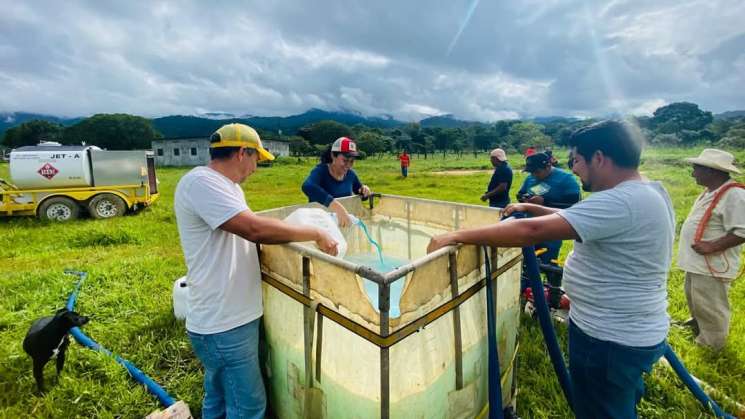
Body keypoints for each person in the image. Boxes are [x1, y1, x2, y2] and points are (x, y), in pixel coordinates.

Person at [428, 120, 675, 418]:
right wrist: (534, 208)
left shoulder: (623, 201)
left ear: (599, 157)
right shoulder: (645, 192)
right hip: (625, 331)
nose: (575, 169)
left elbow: (529, 232)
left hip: (611, 339)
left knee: (603, 411)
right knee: (615, 402)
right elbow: (582, 216)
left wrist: (456, 236)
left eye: (578, 160)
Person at [174, 123, 338, 419]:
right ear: (241, 153)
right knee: (248, 407)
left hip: (225, 317)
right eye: (256, 159)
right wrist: (315, 231)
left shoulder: (228, 187)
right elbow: (253, 228)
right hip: (224, 322)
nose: (256, 168)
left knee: (220, 397)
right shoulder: (201, 182)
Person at [677, 148, 745, 350]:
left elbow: (743, 231)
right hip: (699, 262)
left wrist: (712, 246)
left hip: (713, 263)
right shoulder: (712, 191)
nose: (693, 173)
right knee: (696, 296)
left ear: (712, 171)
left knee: (711, 304)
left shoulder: (735, 195)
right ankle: (697, 323)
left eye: (697, 168)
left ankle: (712, 344)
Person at [517, 152, 581, 264]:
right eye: (531, 172)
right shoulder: (530, 178)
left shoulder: (566, 180)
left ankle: (552, 281)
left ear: (548, 166)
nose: (534, 175)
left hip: (552, 232)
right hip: (530, 229)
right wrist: (524, 199)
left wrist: (545, 202)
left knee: (549, 265)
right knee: (528, 265)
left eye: (537, 172)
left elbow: (573, 205)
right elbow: (520, 194)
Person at [302, 136, 371, 227]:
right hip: (321, 225)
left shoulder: (351, 174)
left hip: (343, 223)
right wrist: (336, 206)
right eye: (345, 160)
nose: (348, 165)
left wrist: (365, 190)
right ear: (333, 156)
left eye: (352, 161)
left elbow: (361, 194)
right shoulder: (321, 171)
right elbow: (307, 186)